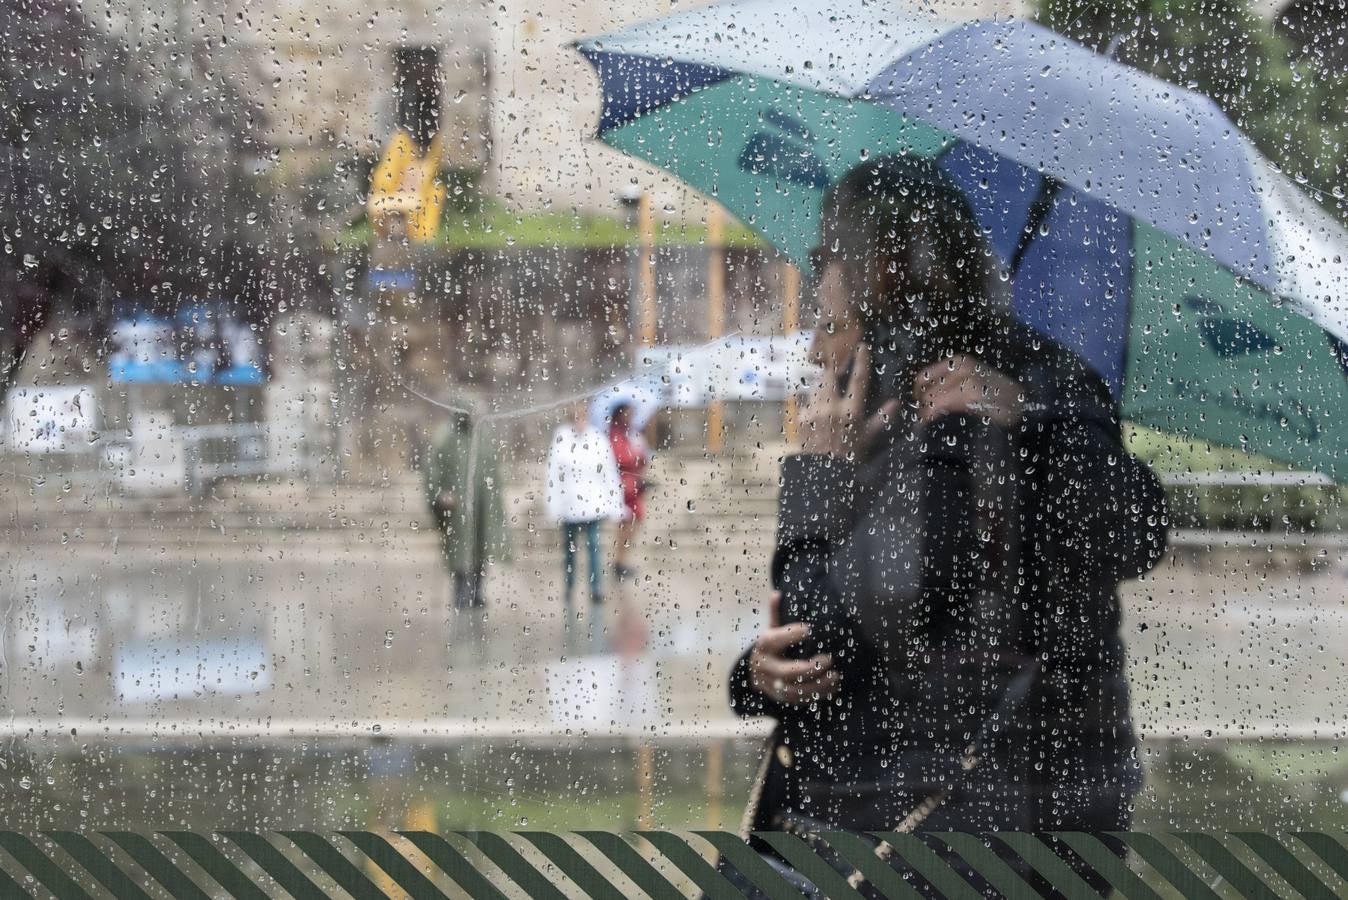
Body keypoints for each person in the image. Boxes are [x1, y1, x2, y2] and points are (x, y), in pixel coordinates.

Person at [727, 156, 1169, 897]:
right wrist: (758, 676)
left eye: (823, 260)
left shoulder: (982, 409)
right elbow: (834, 636)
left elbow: (1137, 530)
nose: (812, 330)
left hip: (949, 837)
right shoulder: (890, 402)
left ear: (883, 262)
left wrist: (819, 475)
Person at [546, 401, 625, 633]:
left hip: (592, 502)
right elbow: (553, 473)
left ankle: (595, 587)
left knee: (593, 547)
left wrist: (614, 501)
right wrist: (553, 504)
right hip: (569, 502)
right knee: (569, 549)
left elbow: (609, 471)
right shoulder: (561, 438)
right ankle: (569, 586)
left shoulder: (597, 439)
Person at [423, 405, 508, 615]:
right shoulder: (446, 436)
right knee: (459, 547)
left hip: (481, 503)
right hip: (457, 505)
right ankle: (461, 590)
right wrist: (440, 493)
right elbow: (432, 467)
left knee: (481, 545)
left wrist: (494, 499)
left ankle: (477, 590)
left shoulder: (483, 435)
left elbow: (493, 469)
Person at [607, 402, 648, 582]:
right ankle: (619, 562)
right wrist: (634, 455)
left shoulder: (632, 434)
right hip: (623, 485)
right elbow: (619, 457)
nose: (630, 417)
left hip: (636, 484)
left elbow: (642, 458)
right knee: (626, 522)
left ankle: (621, 561)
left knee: (636, 519)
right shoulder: (614, 435)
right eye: (628, 413)